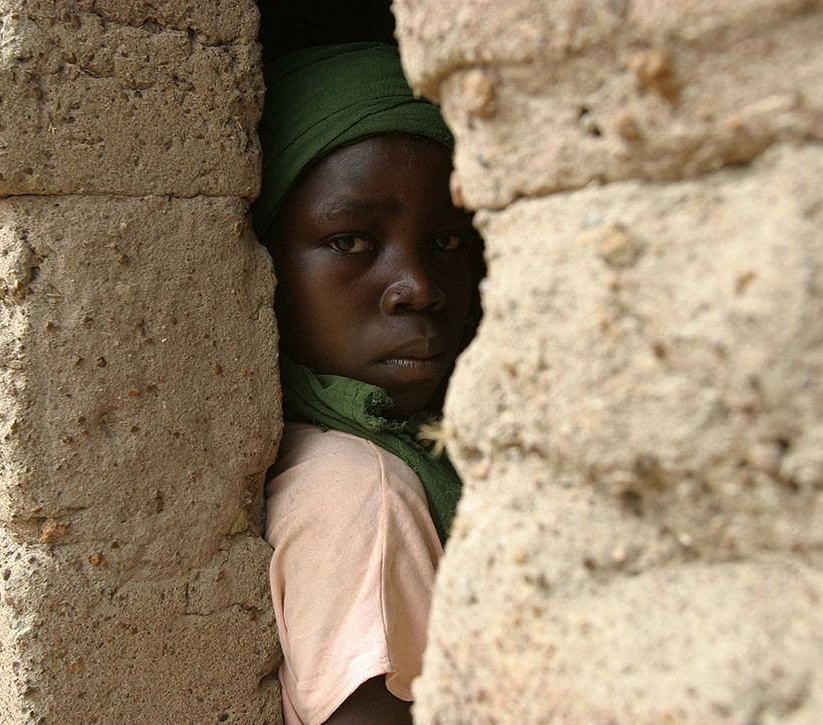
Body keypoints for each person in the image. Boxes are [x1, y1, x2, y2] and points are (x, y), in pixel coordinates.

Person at [255, 43, 481, 725]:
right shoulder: (364, 492)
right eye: (350, 240)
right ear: (263, 261)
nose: (419, 288)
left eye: (446, 241)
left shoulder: (312, 450)